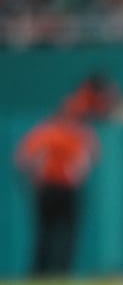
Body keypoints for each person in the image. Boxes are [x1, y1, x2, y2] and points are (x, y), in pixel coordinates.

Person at [14, 75, 116, 277]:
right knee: (59, 236)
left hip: (53, 188)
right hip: (60, 188)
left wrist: (34, 180)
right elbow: (90, 159)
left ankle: (47, 275)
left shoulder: (53, 132)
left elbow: (23, 159)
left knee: (53, 236)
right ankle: (52, 275)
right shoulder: (70, 134)